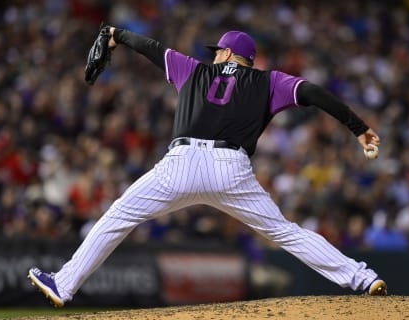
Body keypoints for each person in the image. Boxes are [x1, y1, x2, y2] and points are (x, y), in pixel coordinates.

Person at [28, 27, 387, 307]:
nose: (215, 57)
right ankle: (362, 278)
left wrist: (115, 35)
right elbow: (315, 93)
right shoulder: (270, 81)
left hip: (179, 165)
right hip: (231, 169)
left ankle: (65, 284)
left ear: (229, 52)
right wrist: (359, 128)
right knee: (286, 233)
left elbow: (150, 47)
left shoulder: (192, 69)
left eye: (219, 52)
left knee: (119, 215)